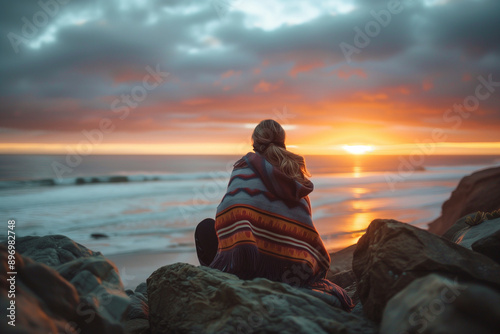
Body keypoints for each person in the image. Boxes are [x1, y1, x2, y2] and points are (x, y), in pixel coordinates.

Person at [195, 119, 354, 311]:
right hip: (291, 273)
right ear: (283, 142)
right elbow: (302, 230)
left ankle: (218, 286)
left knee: (205, 228)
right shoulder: (296, 181)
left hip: (246, 271)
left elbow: (229, 214)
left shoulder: (244, 169)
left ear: (254, 144)